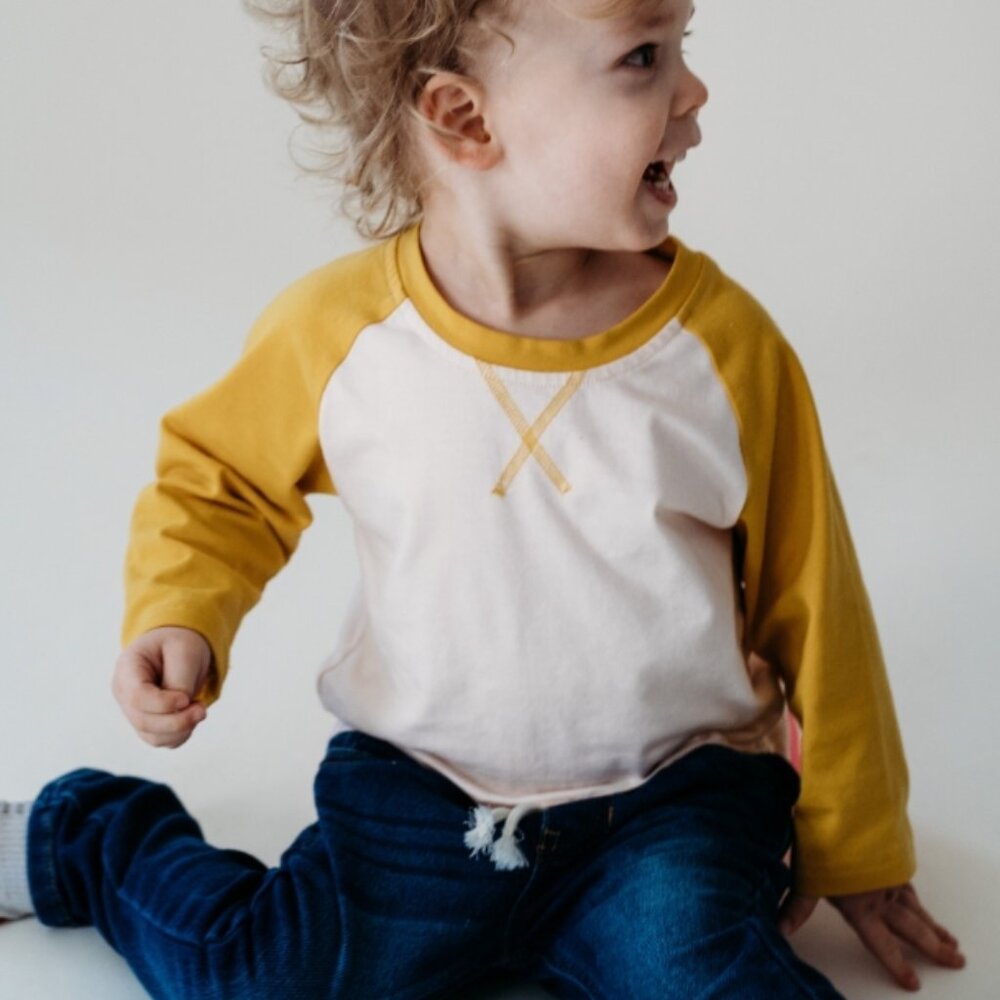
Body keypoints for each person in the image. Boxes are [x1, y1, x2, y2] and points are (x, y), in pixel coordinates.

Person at [0, 0, 968, 996]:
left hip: (671, 802)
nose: (694, 89)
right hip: (419, 795)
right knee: (257, 974)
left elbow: (815, 596)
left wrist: (857, 842)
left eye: (684, 44)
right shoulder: (342, 333)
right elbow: (223, 483)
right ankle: (77, 838)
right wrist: (181, 613)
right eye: (642, 56)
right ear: (465, 118)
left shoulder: (721, 349)